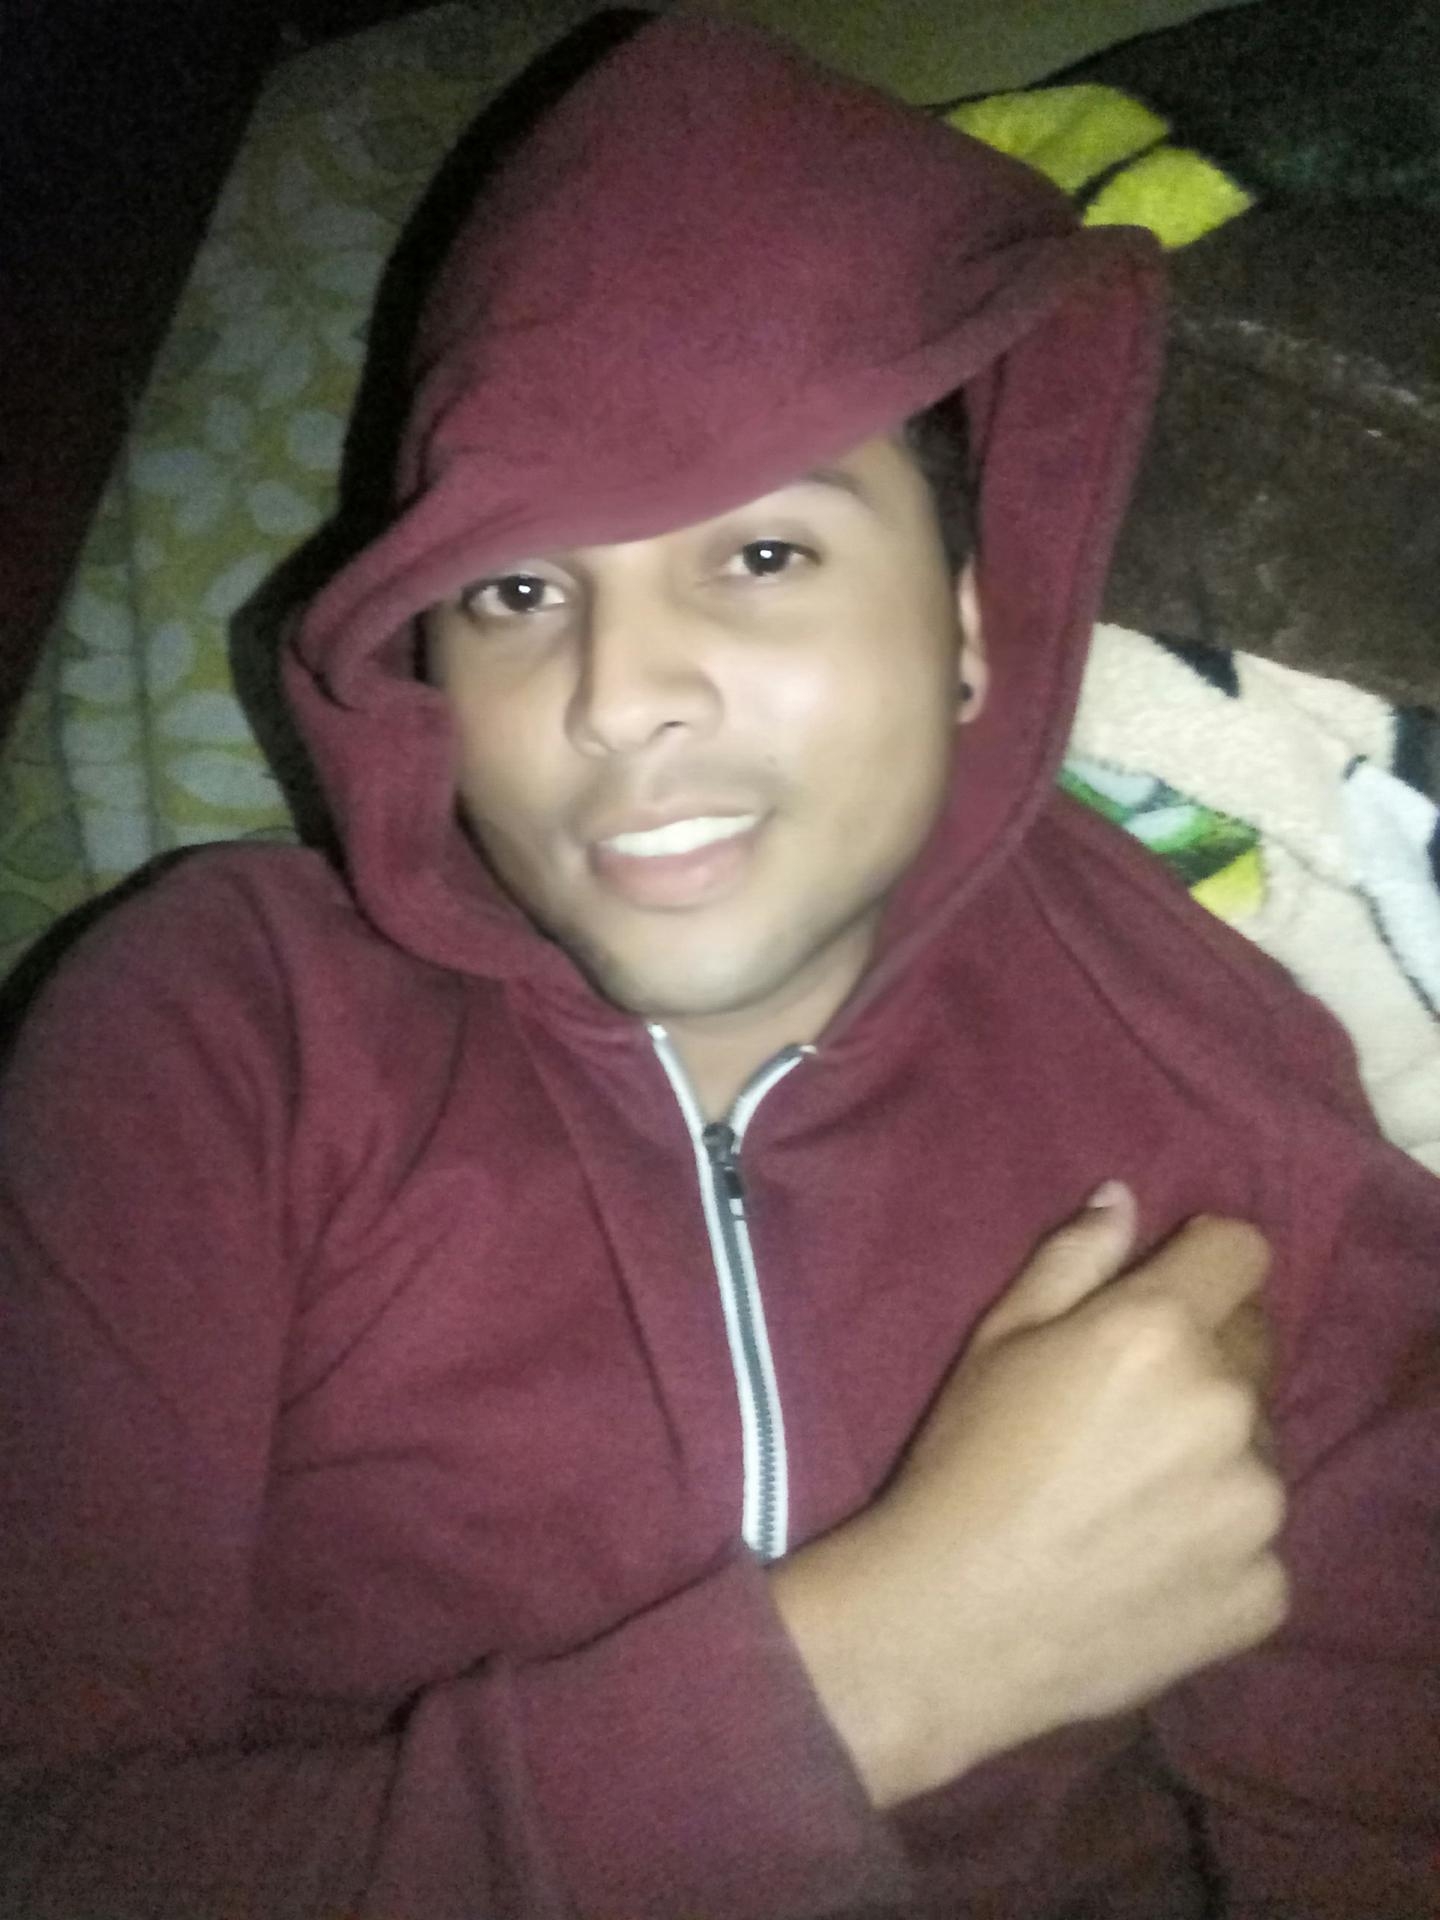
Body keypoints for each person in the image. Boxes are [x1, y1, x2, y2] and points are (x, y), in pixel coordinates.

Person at [1, 11, 1436, 1917]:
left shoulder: (1211, 1072)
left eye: (762, 555)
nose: (617, 694)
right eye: (518, 589)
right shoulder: (212, 1034)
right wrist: (885, 1669)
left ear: (971, 622)